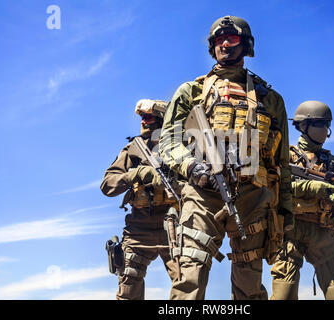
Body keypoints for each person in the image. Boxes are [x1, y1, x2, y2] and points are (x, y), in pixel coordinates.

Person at [159, 15, 292, 300]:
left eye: (232, 39)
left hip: (253, 195)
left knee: (249, 282)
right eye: (219, 40)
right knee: (190, 275)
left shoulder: (271, 99)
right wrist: (191, 166)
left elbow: (281, 163)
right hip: (203, 191)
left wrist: (286, 213)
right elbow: (169, 140)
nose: (225, 44)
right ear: (212, 47)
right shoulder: (191, 91)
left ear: (246, 45)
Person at [270, 100, 334, 300]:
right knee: (284, 293)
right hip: (290, 229)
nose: (324, 130)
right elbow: (275, 185)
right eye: (320, 124)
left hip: (325, 231)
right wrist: (314, 187)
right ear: (303, 126)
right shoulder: (286, 155)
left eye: (327, 125)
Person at [100, 99, 178, 300]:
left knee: (187, 282)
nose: (143, 122)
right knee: (129, 281)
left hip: (174, 224)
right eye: (142, 118)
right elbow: (107, 185)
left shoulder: (181, 145)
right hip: (139, 227)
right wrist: (135, 175)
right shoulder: (133, 149)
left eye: (149, 117)